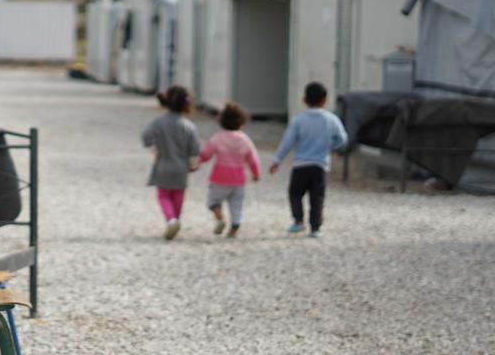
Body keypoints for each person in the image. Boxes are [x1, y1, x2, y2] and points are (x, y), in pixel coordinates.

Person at [269, 82, 348, 237]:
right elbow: (343, 138)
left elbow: (288, 141)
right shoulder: (331, 119)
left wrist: (277, 160)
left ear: (304, 100)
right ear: (325, 100)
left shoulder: (299, 120)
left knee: (295, 193)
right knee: (317, 197)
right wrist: (332, 146)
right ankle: (316, 228)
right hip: (320, 165)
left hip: (300, 165)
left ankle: (298, 221)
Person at [142, 86, 201, 240]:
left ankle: (171, 220)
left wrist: (155, 148)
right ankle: (176, 219)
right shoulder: (189, 126)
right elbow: (195, 149)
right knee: (178, 195)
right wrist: (193, 163)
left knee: (163, 195)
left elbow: (146, 137)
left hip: (163, 164)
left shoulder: (158, 123)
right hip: (181, 167)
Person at [198, 102, 261, 238]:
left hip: (220, 178)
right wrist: (256, 173)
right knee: (236, 204)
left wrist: (198, 161)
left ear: (221, 121)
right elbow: (253, 158)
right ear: (242, 123)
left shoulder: (218, 138)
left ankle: (219, 216)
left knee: (213, 200)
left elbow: (206, 153)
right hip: (239, 179)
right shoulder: (245, 140)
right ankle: (235, 226)